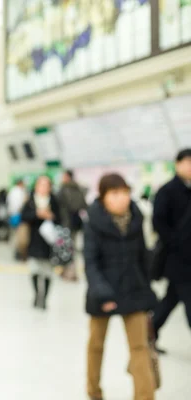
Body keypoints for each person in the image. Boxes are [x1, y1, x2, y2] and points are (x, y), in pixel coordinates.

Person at [84, 173, 157, 400]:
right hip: (102, 292)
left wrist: (148, 292)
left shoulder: (137, 219)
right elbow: (90, 262)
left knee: (139, 347)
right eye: (115, 193)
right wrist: (103, 293)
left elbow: (143, 257)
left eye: (125, 192)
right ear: (104, 197)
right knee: (96, 345)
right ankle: (94, 391)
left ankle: (144, 396)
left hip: (133, 290)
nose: (122, 198)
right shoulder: (94, 222)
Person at [151, 148, 191, 352]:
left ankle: (149, 334)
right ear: (178, 164)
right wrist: (176, 242)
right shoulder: (167, 190)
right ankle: (149, 335)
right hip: (177, 259)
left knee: (169, 301)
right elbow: (157, 221)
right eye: (188, 162)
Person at [21, 176, 60, 310]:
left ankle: (45, 298)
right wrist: (37, 214)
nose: (43, 188)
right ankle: (37, 294)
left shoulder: (54, 201)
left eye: (46, 185)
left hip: (49, 242)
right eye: (41, 184)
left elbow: (61, 218)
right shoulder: (30, 201)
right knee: (34, 269)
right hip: (33, 239)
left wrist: (51, 216)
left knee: (48, 271)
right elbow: (23, 216)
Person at [58, 170, 88, 281]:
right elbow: (84, 205)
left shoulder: (63, 190)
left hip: (65, 222)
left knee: (66, 248)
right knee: (71, 247)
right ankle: (69, 271)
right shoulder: (79, 189)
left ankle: (69, 272)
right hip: (75, 222)